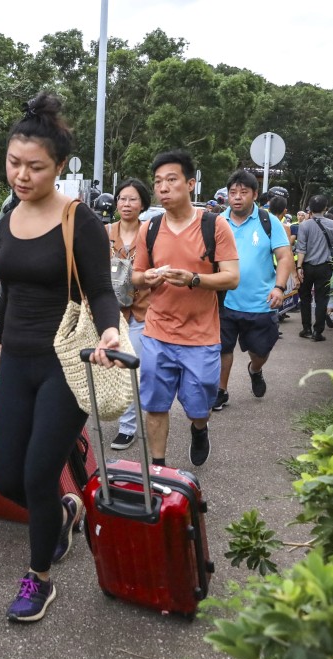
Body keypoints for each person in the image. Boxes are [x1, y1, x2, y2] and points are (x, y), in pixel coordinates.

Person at [0, 93, 120, 623]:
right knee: (7, 479)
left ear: (60, 166)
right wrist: (0, 341)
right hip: (17, 361)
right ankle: (66, 511)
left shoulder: (78, 219)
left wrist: (110, 333)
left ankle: (39, 578)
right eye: (13, 163)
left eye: (35, 166)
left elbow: (102, 290)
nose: (22, 175)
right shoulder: (7, 216)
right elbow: (9, 290)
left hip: (66, 363)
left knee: (38, 474)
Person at [130, 150, 238, 468]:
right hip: (157, 332)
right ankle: (158, 467)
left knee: (199, 407)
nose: (163, 188)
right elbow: (135, 275)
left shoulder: (214, 225)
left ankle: (199, 429)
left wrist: (194, 279)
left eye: (171, 180)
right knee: (155, 405)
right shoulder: (149, 228)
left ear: (190, 184)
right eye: (158, 182)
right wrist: (147, 277)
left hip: (201, 336)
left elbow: (231, 278)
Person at [213, 170, 293, 411]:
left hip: (261, 301)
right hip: (224, 300)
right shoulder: (217, 222)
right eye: (233, 192)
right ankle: (221, 391)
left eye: (243, 192)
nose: (237, 197)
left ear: (255, 195)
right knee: (223, 349)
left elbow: (284, 256)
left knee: (260, 351)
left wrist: (279, 288)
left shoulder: (268, 221)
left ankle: (255, 369)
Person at [107, 177, 152, 450]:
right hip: (110, 313)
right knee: (111, 369)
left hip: (142, 312)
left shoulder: (151, 233)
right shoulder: (105, 233)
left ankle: (127, 427)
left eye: (132, 199)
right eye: (122, 198)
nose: (126, 204)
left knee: (132, 369)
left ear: (142, 204)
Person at [295, 195, 333, 341]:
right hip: (325, 267)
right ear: (325, 208)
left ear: (310, 208)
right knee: (321, 298)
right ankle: (318, 332)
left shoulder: (304, 225)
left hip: (306, 266)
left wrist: (298, 268)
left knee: (305, 298)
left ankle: (306, 329)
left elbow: (301, 248)